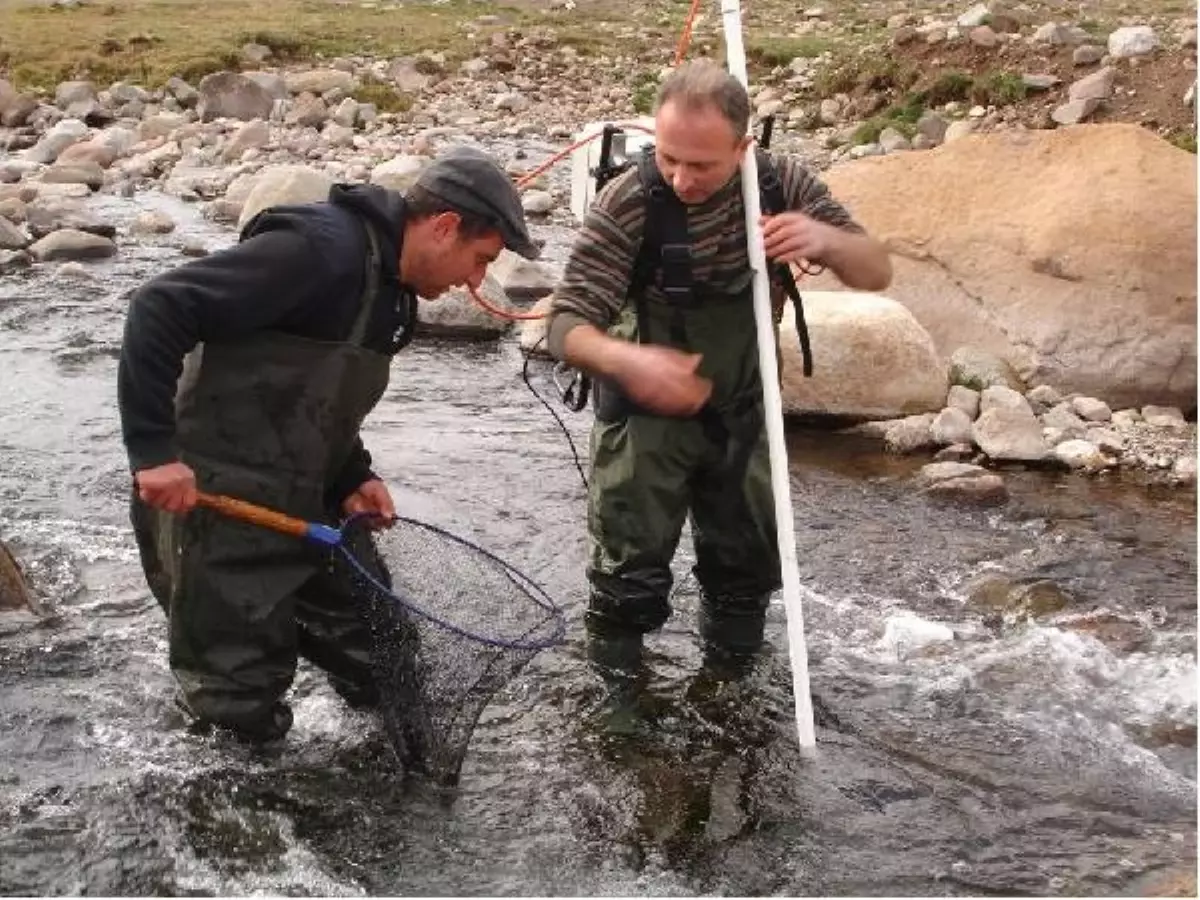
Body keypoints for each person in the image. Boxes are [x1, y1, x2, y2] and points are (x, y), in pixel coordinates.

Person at [118, 145, 538, 744]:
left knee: (384, 647)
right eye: (479, 259)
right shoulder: (317, 252)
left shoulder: (396, 300)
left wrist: (353, 477)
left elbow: (321, 401)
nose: (475, 281)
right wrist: (154, 454)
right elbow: (158, 308)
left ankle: (389, 798)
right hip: (213, 501)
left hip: (308, 501)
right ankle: (244, 816)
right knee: (237, 706)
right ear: (444, 227)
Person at [545, 59, 892, 726]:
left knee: (744, 572)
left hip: (741, 411)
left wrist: (827, 241)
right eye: (669, 157)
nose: (681, 178)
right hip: (646, 417)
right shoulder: (631, 201)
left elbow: (876, 269)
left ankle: (728, 698)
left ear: (742, 148)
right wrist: (629, 360)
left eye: (701, 165)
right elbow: (565, 325)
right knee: (627, 581)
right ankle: (620, 712)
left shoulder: (779, 183)